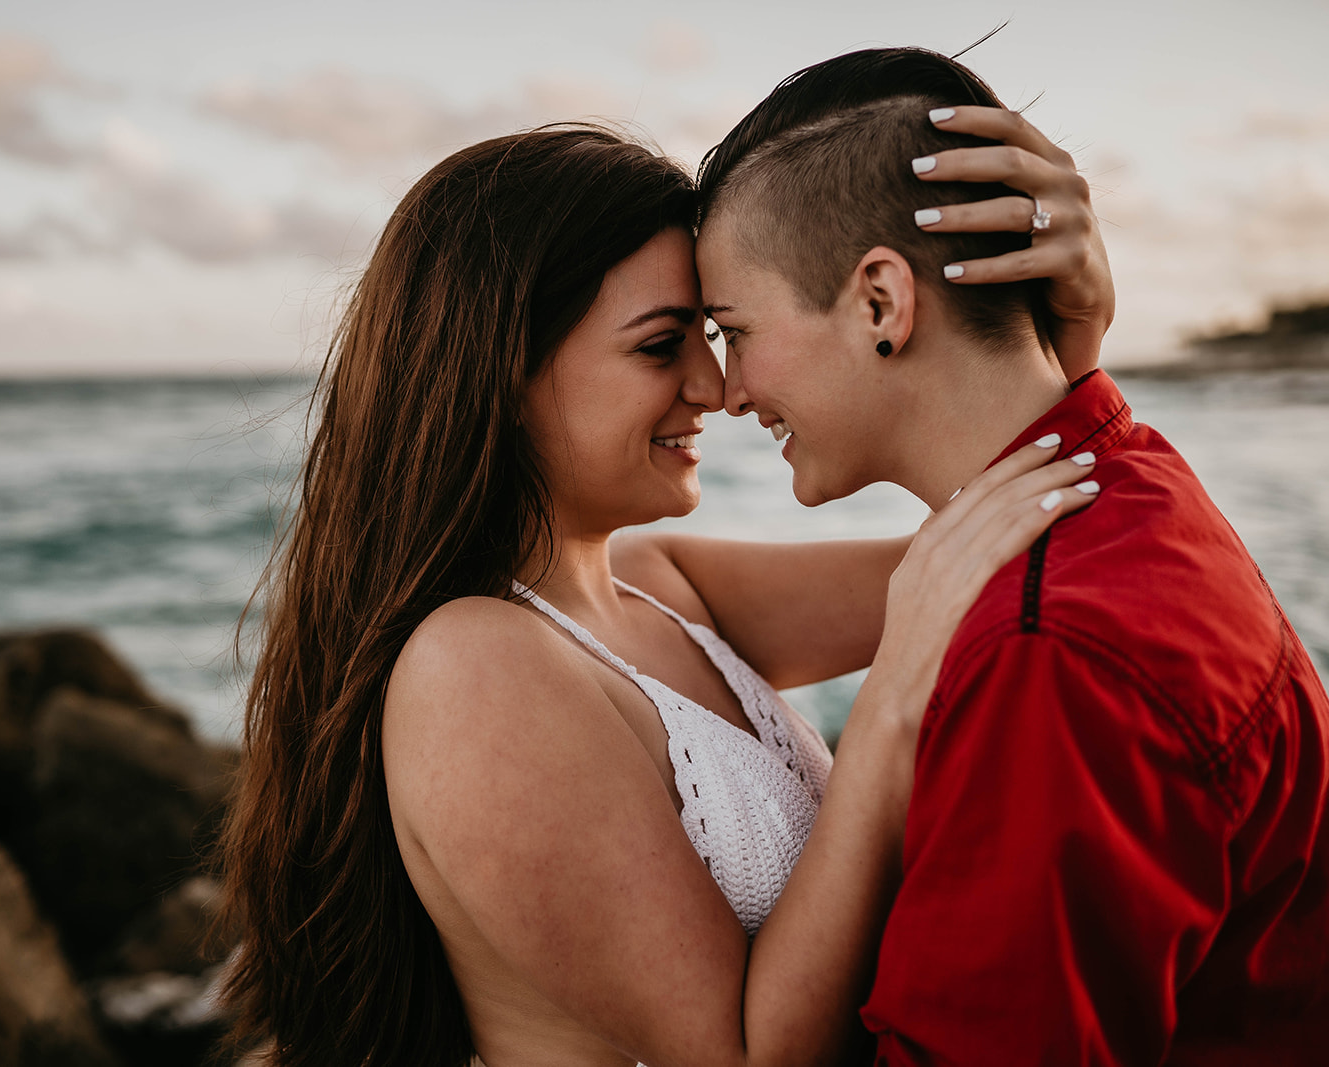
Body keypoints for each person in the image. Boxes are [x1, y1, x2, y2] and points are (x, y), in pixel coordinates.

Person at [215, 73, 1114, 1067]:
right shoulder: (473, 666)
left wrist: (1059, 354)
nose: (716, 387)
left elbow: (1025, 545)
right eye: (660, 346)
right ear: (500, 370)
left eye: (717, 335)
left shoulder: (665, 586)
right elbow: (739, 1054)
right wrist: (891, 704)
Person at [695, 48, 1329, 1064]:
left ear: (879, 302)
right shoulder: (1131, 483)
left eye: (735, 331)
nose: (727, 392)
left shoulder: (1048, 653)